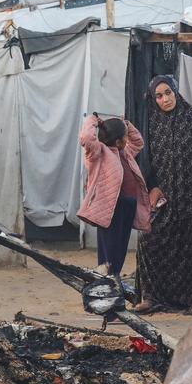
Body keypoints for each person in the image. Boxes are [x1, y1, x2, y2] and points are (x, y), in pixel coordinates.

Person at [133, 75, 192, 315]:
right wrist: (152, 185)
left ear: (176, 92)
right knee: (149, 242)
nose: (165, 99)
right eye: (159, 96)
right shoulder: (151, 124)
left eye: (168, 93)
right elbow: (145, 159)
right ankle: (152, 297)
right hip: (166, 199)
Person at [77, 113, 151, 286]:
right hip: (110, 209)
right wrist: (94, 121)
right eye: (125, 135)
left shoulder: (125, 152)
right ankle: (106, 296)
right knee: (108, 256)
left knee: (119, 253)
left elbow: (138, 141)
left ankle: (114, 288)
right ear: (118, 141)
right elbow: (87, 138)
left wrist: (124, 124)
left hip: (127, 206)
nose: (128, 138)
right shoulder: (98, 152)